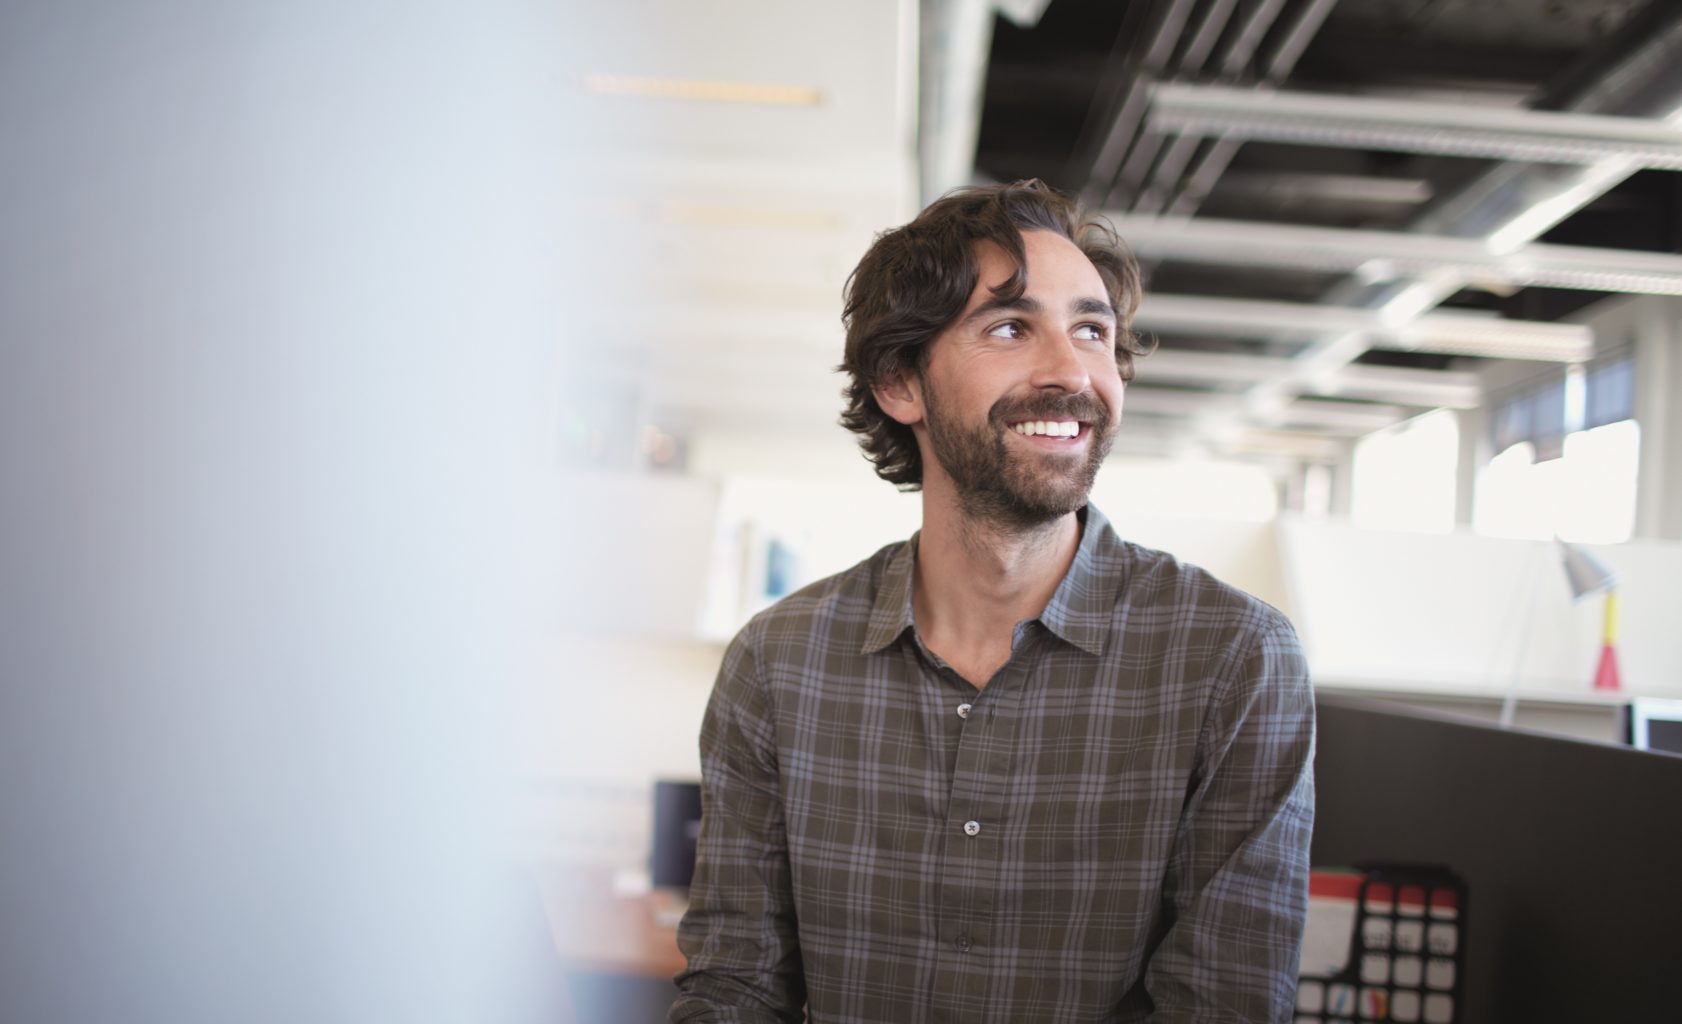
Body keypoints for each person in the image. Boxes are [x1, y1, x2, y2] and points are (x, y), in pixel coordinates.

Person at [670, 180, 1315, 1023]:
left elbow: (1225, 1007)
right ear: (901, 383)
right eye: (1011, 328)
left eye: (1092, 330)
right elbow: (733, 987)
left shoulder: (1234, 660)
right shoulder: (778, 663)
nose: (1072, 371)